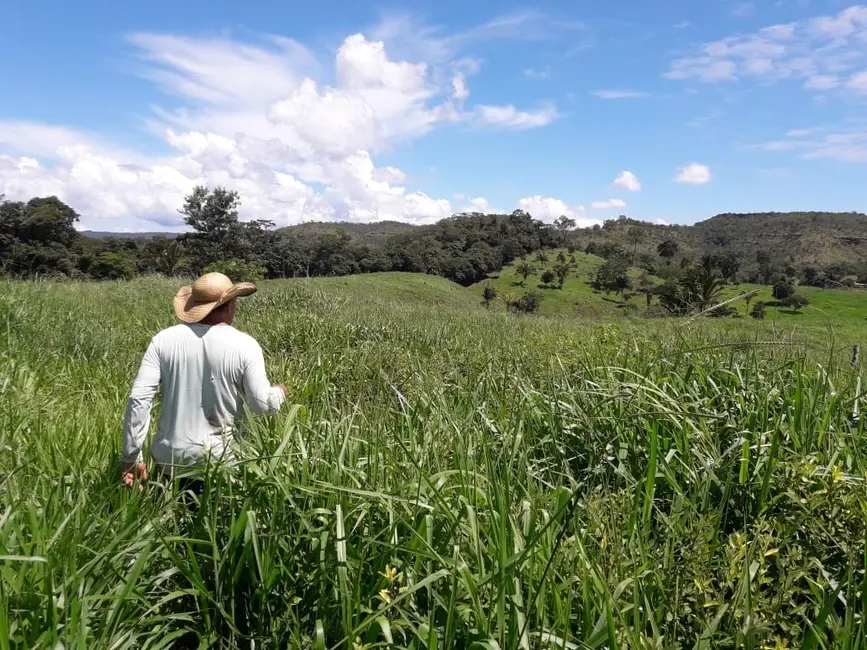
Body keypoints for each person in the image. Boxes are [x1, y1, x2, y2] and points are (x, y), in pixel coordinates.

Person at [119, 272, 287, 491]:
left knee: (167, 523)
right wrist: (280, 391)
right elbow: (264, 405)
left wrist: (130, 457)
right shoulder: (245, 344)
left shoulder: (163, 339)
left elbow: (138, 400)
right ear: (230, 305)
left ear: (193, 307)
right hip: (222, 462)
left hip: (169, 461)